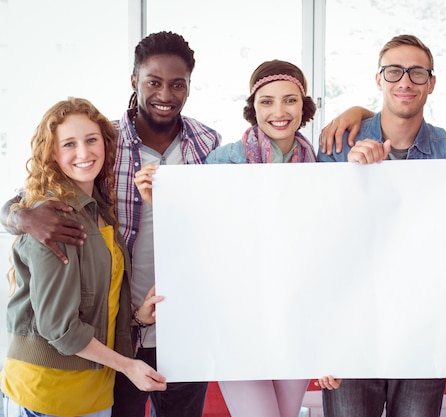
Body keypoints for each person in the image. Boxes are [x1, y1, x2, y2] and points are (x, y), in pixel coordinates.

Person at [0, 31, 221, 417]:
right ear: (134, 81)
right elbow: (33, 192)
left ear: (189, 86)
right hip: (117, 331)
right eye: (153, 82)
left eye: (177, 84)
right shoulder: (104, 143)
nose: (165, 94)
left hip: (186, 322)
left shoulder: (207, 142)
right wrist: (22, 217)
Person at [315, 34, 446, 417]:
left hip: (424, 328)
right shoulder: (338, 146)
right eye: (394, 71)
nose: (405, 82)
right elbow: (322, 250)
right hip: (353, 327)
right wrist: (352, 178)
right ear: (379, 79)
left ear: (431, 83)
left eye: (417, 73)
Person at [134, 59, 317, 417]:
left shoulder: (321, 165)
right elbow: (199, 236)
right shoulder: (222, 162)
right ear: (253, 108)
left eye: (290, 100)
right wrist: (164, 203)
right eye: (266, 101)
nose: (279, 111)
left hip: (295, 321)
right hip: (236, 322)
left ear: (304, 105)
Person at [0, 97, 167, 417]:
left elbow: (95, 302)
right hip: (49, 392)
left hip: (92, 389)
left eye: (91, 140)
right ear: (51, 153)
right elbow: (59, 328)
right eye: (69, 144)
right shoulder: (53, 217)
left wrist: (137, 316)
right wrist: (129, 366)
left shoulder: (99, 211)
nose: (84, 152)